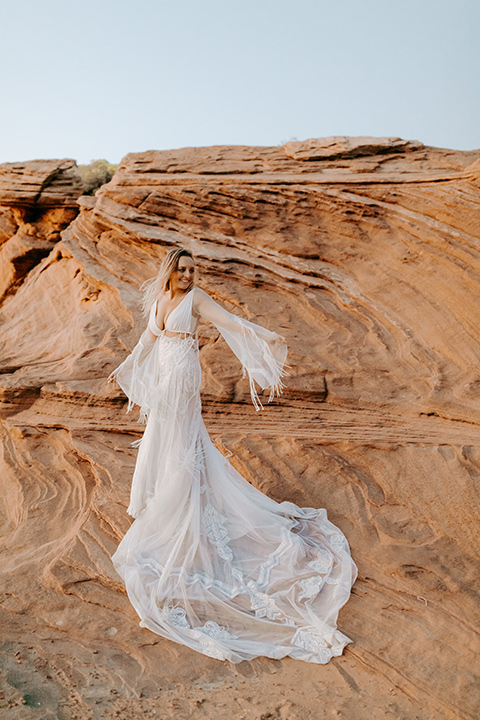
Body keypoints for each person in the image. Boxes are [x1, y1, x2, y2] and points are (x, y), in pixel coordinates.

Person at [108, 247, 357, 664]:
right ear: (170, 271)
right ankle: (174, 504)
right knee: (165, 441)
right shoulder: (160, 300)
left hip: (184, 378)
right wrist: (127, 365)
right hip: (168, 370)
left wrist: (265, 336)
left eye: (193, 269)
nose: (189, 274)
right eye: (183, 269)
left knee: (178, 441)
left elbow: (229, 322)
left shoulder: (196, 298)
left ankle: (180, 507)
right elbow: (149, 338)